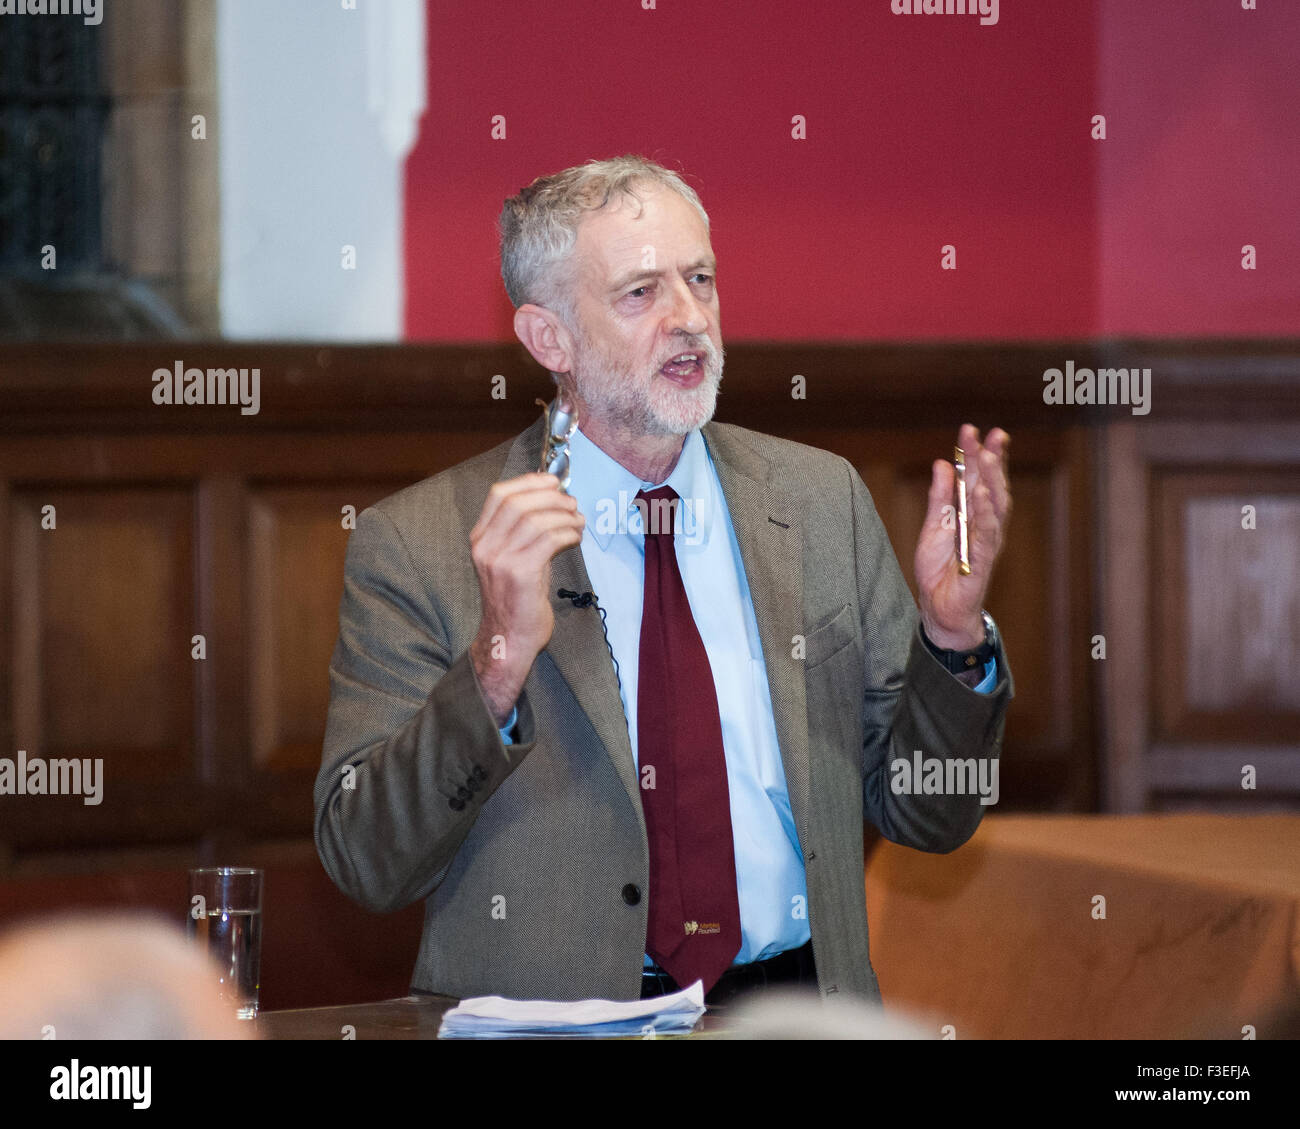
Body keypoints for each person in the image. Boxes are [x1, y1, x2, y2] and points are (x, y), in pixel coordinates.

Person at [314, 155, 1014, 1007]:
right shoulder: (420, 545)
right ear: (549, 340)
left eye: (701, 279)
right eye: (641, 293)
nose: (690, 319)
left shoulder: (818, 502)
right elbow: (366, 859)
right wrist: (497, 667)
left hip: (794, 1013)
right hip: (565, 1025)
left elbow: (931, 817)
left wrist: (950, 638)